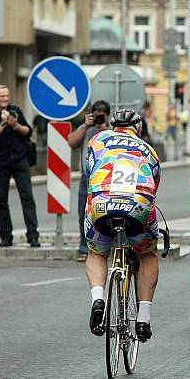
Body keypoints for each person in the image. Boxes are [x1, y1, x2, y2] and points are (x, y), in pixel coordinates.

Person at [85, 109, 161, 342]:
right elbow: (154, 187)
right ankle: (143, 319)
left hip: (102, 203)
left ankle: (98, 298)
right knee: (148, 255)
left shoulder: (96, 141)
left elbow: (90, 174)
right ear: (138, 129)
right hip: (137, 205)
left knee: (97, 253)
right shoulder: (149, 150)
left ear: (111, 125)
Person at [0, 84, 39, 247]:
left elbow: (27, 131)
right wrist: (2, 124)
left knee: (27, 197)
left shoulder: (16, 111)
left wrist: (15, 124)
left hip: (19, 159)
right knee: (1, 200)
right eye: (2, 96)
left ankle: (33, 235)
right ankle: (6, 236)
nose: (5, 99)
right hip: (0, 163)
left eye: (7, 96)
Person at [68, 100, 111, 260]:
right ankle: (83, 247)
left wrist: (106, 130)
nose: (100, 117)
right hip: (86, 178)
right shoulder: (85, 129)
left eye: (103, 114)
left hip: (105, 178)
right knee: (83, 213)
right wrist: (85, 125)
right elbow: (71, 142)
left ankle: (106, 246)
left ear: (107, 115)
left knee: (105, 214)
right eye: (97, 114)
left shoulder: (110, 130)